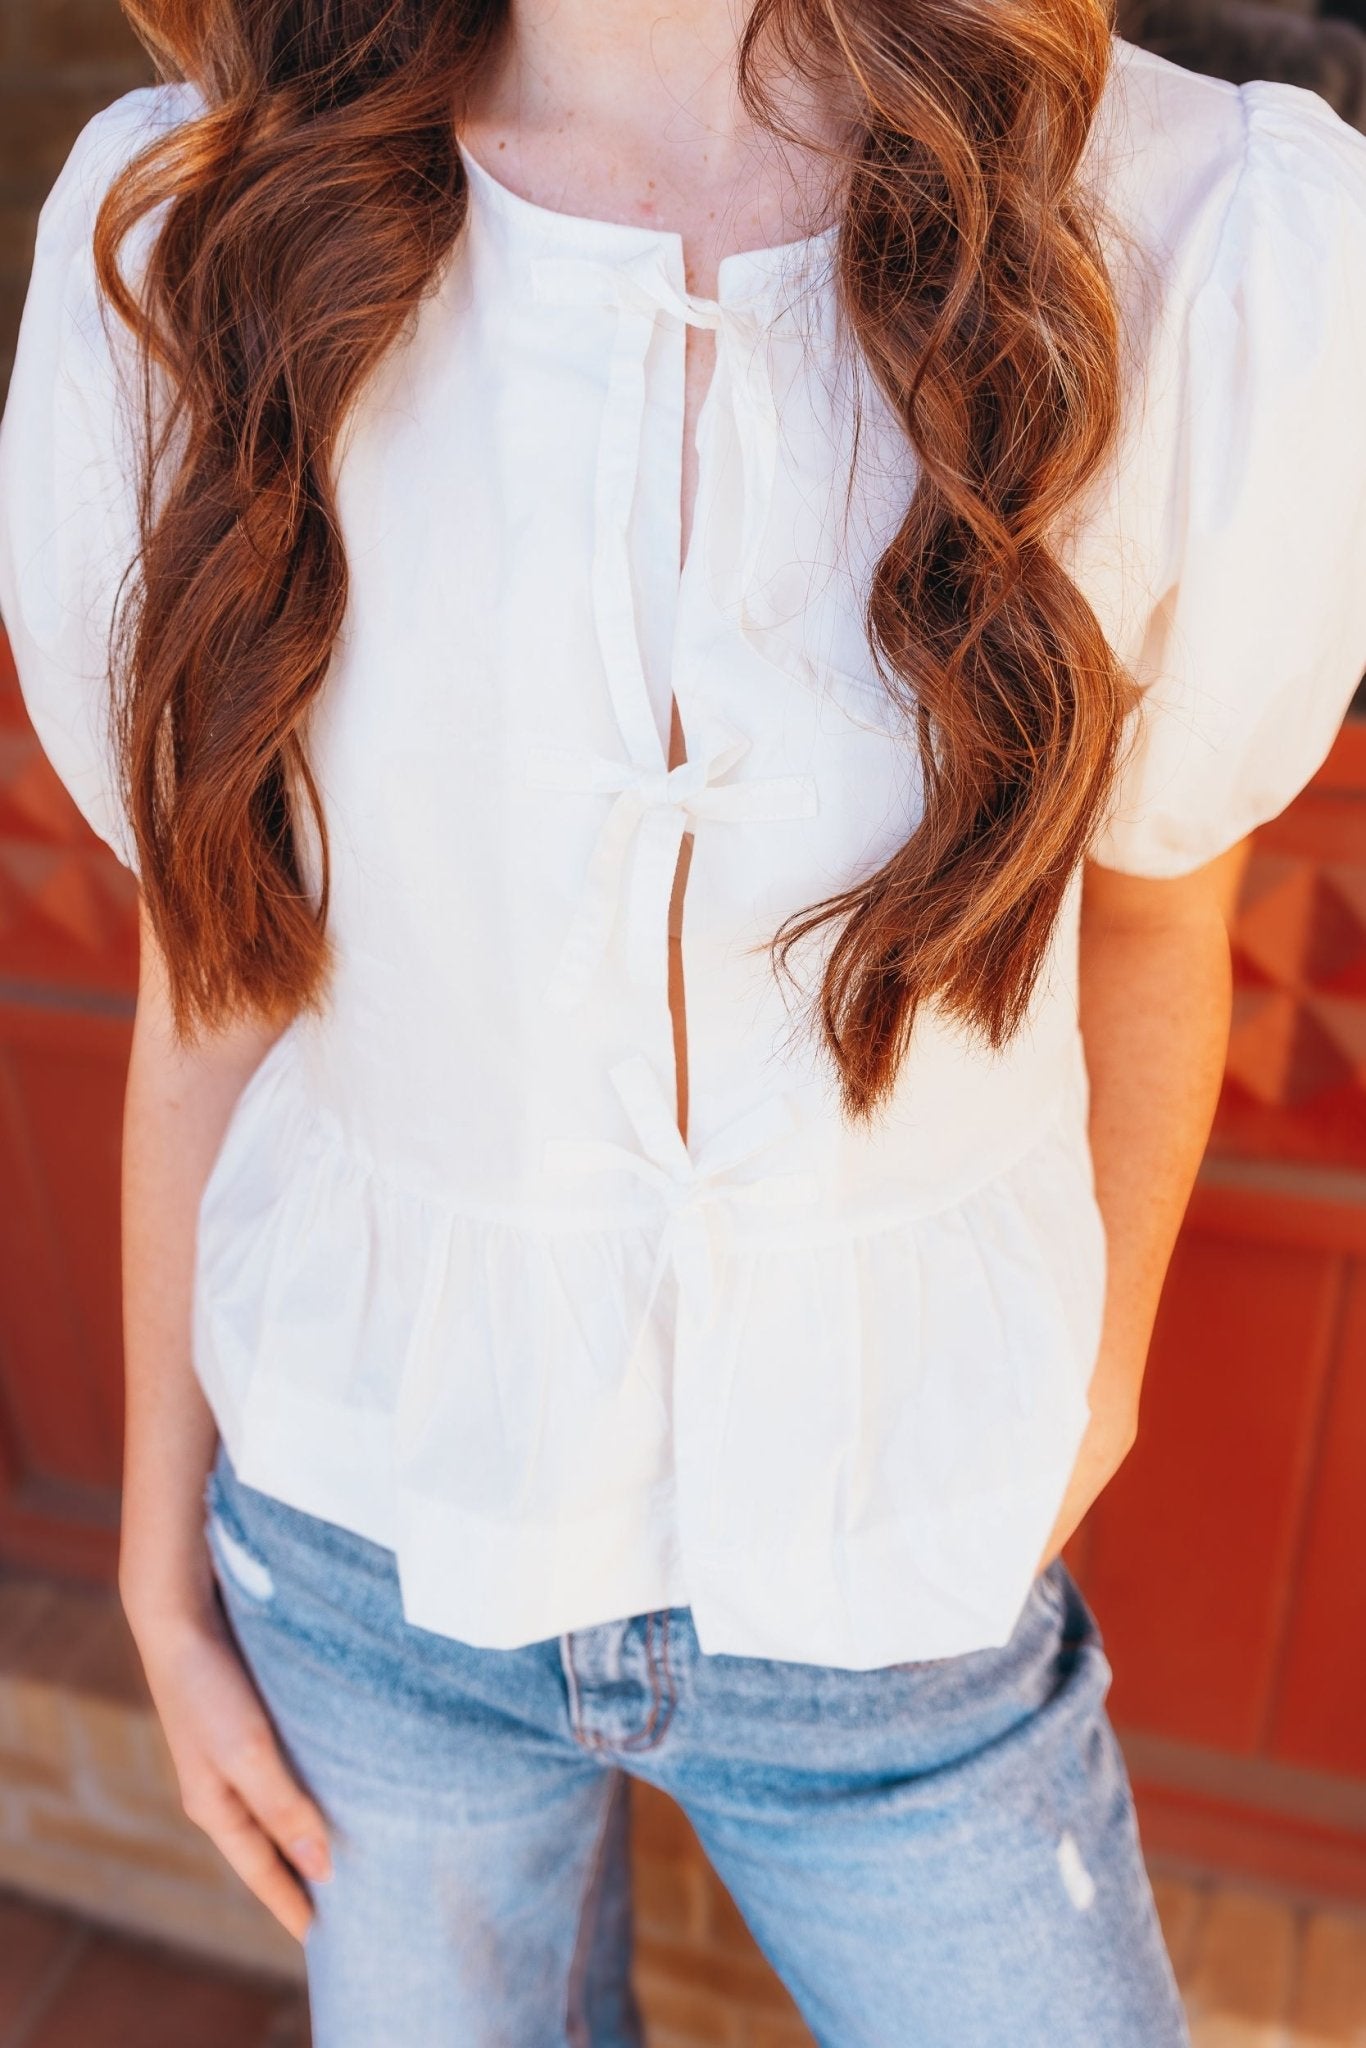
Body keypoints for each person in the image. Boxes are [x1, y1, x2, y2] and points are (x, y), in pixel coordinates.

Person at [3, 0, 1366, 2040]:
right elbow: (224, 970)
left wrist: (1093, 1382)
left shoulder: (1191, 231)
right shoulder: (196, 226)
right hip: (367, 1541)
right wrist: (152, 1563)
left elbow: (1162, 907)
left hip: (897, 1582)